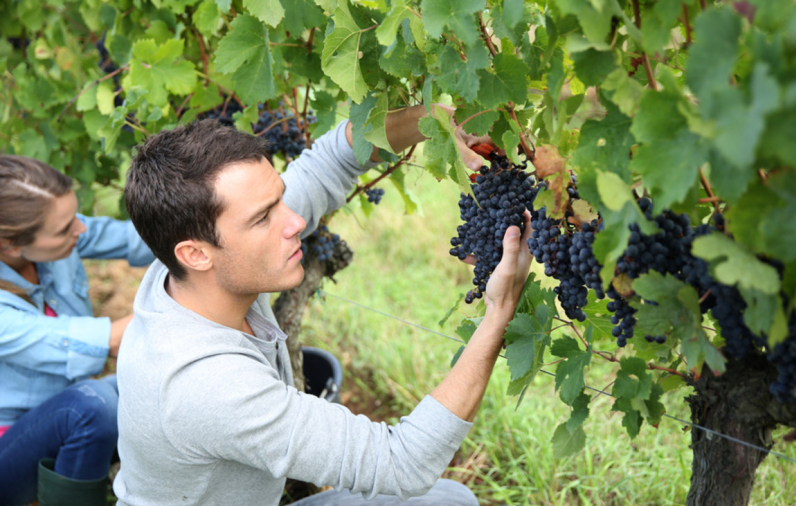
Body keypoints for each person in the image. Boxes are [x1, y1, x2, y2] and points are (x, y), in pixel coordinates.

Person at [113, 105, 533, 506]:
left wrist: (434, 120)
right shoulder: (207, 387)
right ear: (196, 254)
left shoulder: (192, 272)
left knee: (450, 501)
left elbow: (336, 157)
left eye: (280, 199)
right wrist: (498, 313)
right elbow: (404, 464)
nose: (294, 221)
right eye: (263, 218)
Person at [0, 155, 155, 505]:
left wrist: (214, 235)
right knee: (90, 406)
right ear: (9, 244)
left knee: (157, 379)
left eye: (75, 217)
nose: (80, 230)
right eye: (65, 228)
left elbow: (141, 239)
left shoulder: (56, 237)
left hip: (63, 423)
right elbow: (111, 341)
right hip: (7, 449)